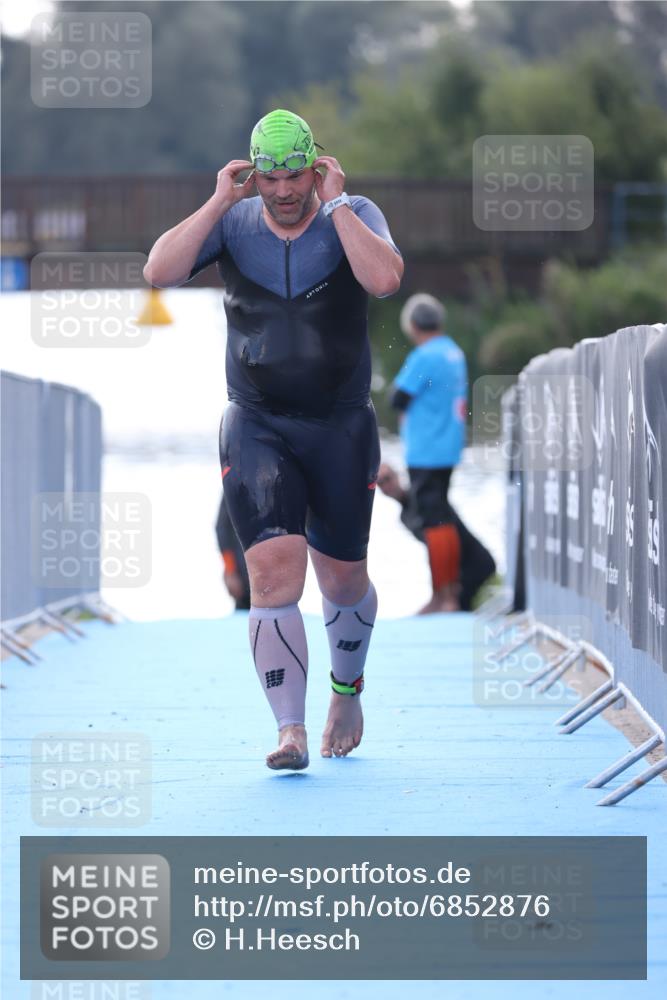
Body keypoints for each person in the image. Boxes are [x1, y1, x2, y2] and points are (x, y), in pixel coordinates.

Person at [144, 109, 403, 770]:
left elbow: (383, 280)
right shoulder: (230, 224)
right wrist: (217, 200)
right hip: (257, 420)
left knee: (342, 580)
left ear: (316, 169)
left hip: (339, 423)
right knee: (271, 569)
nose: (283, 191)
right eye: (269, 178)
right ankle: (288, 729)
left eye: (295, 177)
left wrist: (339, 203)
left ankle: (346, 692)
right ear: (252, 174)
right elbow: (160, 271)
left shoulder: (354, 211)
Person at [388, 293, 494, 612]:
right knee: (441, 516)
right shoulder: (453, 352)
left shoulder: (426, 356)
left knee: (435, 521)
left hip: (426, 448)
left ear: (412, 325)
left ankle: (443, 593)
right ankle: (449, 591)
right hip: (447, 445)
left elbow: (398, 397)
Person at [376, 463, 496, 612]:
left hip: (475, 562)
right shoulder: (404, 516)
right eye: (380, 483)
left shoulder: (425, 501)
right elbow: (433, 550)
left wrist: (449, 590)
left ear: (398, 477)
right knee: (451, 607)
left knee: (454, 607)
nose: (386, 486)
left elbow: (444, 544)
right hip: (459, 569)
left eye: (387, 479)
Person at [215, 491, 251, 611]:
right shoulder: (235, 477)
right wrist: (230, 570)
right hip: (244, 578)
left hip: (276, 578)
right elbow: (222, 528)